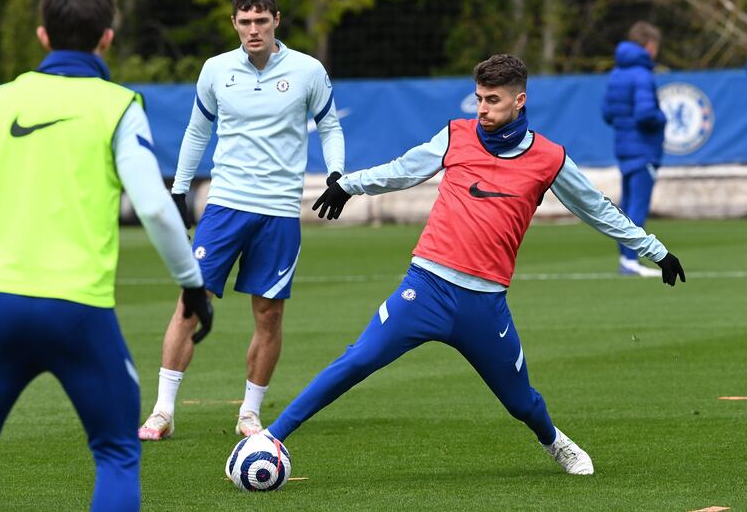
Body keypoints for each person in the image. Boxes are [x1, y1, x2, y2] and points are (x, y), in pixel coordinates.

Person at [262, 54, 686, 476]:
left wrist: (655, 250)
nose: (482, 109)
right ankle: (272, 436)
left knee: (522, 402)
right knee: (357, 360)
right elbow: (401, 171)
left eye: (493, 101)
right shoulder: (455, 136)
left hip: (484, 305)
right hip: (426, 288)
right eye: (479, 98)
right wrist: (348, 186)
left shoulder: (549, 158)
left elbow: (597, 209)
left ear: (519, 101)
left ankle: (555, 441)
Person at [0, 0, 213, 509]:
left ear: (43, 36)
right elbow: (157, 208)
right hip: (80, 316)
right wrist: (192, 286)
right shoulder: (118, 106)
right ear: (108, 38)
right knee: (116, 452)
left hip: (1, 312)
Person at [138, 0, 345, 441]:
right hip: (225, 206)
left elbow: (330, 127)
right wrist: (179, 189)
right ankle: (162, 412)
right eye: (245, 22)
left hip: (279, 211)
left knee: (268, 315)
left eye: (261, 20)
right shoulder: (215, 69)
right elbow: (196, 132)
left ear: (276, 21)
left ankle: (250, 414)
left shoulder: (308, 70)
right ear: (234, 23)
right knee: (190, 305)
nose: (253, 29)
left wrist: (337, 175)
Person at [602, 21, 667, 277]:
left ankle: (625, 258)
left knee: (627, 205)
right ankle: (630, 260)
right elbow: (645, 114)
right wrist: (662, 117)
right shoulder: (642, 74)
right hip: (643, 148)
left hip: (624, 147)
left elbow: (607, 113)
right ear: (650, 46)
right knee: (637, 205)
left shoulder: (617, 73)